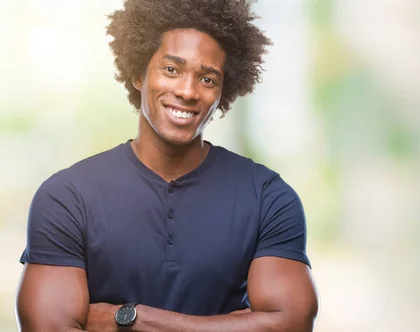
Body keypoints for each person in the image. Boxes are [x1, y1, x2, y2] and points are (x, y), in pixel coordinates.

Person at [15, 0, 319, 331]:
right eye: (171, 70)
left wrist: (129, 320)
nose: (188, 91)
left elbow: (292, 323)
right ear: (137, 73)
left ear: (223, 91)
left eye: (207, 79)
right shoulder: (67, 197)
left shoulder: (267, 197)